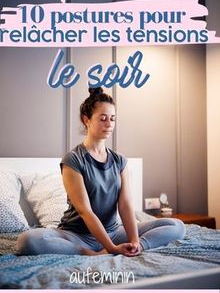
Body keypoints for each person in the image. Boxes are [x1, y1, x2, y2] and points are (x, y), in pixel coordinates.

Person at [17, 87, 186, 256]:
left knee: (177, 226)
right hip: (77, 235)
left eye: (113, 119)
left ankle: (137, 248)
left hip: (114, 232)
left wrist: (135, 242)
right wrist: (112, 248)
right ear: (87, 120)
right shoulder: (73, 159)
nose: (109, 124)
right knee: (27, 240)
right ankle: (89, 253)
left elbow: (125, 205)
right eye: (103, 118)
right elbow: (85, 211)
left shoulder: (120, 161)